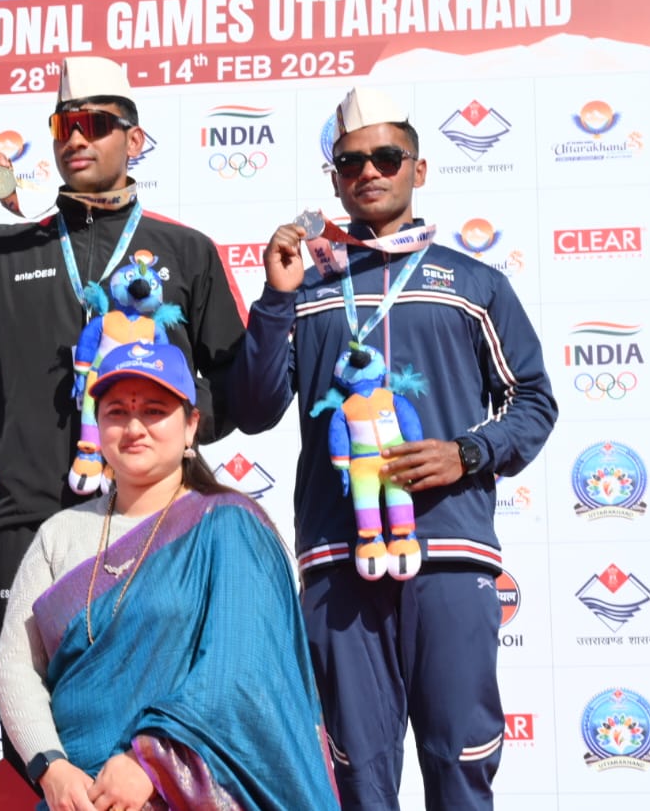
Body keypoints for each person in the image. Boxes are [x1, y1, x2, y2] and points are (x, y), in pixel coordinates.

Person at [231, 87, 558, 809]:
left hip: (449, 555)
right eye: (350, 162)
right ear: (335, 180)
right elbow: (253, 410)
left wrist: (466, 453)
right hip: (337, 561)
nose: (369, 172)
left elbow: (534, 401)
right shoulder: (307, 285)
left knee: (460, 764)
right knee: (356, 780)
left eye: (386, 156)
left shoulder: (472, 283)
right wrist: (275, 297)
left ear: (419, 168)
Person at [0, 55, 244, 654]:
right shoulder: (13, 248)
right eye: (63, 125)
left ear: (134, 140)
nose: (76, 138)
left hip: (152, 511)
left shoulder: (186, 250)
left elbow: (237, 386)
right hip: (30, 518)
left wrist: (164, 424)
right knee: (30, 701)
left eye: (94, 124)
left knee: (153, 695)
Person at [0, 342, 338, 811]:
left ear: (191, 424)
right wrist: (50, 767)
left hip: (185, 792)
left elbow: (242, 675)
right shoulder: (60, 534)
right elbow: (17, 665)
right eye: (117, 412)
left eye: (154, 411)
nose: (134, 427)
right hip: (78, 798)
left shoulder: (228, 526)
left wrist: (152, 760)